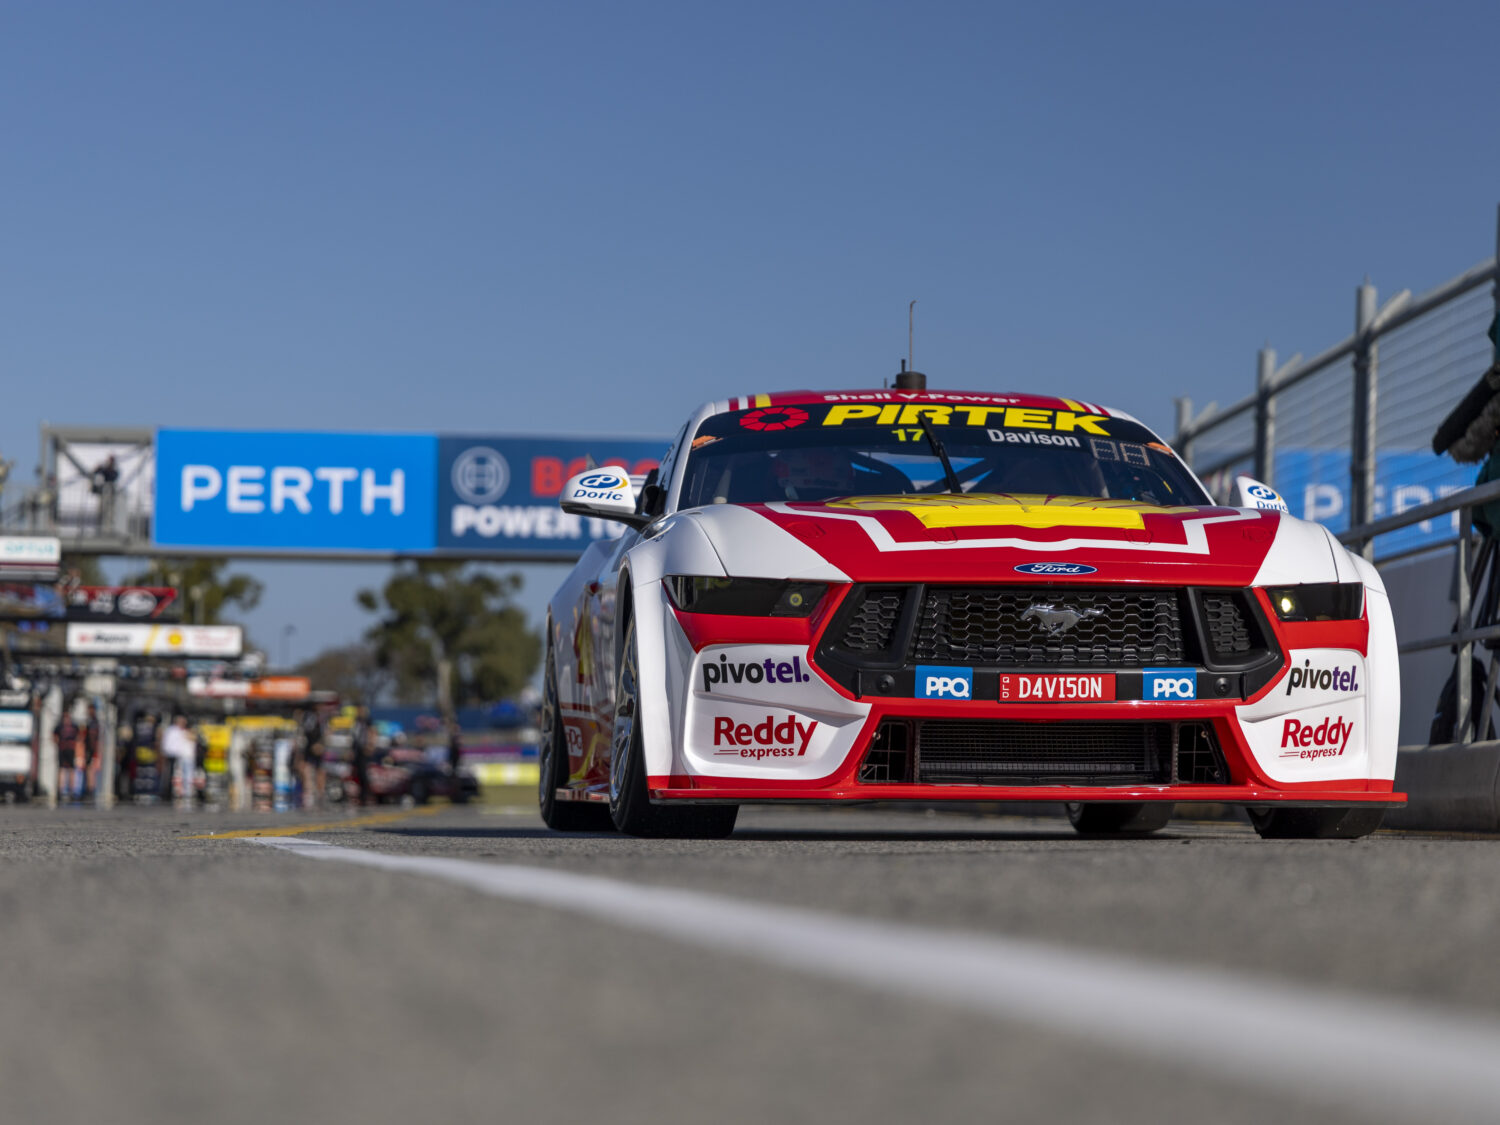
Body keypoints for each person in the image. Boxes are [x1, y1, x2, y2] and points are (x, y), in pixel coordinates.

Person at [161, 714, 198, 808]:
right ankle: (177, 792)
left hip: (185, 757)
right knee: (178, 775)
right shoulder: (174, 731)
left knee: (187, 776)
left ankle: (187, 792)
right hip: (176, 756)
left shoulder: (185, 732)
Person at [297, 707, 326, 809]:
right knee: (306, 770)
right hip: (309, 747)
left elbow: (323, 733)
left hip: (315, 746)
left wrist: (320, 744)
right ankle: (309, 794)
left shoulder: (317, 719)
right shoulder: (308, 718)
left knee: (318, 771)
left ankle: (319, 795)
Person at [54, 709, 83, 803]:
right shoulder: (60, 726)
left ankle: (70, 791)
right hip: (64, 749)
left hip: (70, 749)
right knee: (63, 770)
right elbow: (54, 736)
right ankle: (61, 791)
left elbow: (79, 737)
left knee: (70, 770)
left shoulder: (73, 726)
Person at [350, 707, 373, 807]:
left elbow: (372, 733)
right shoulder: (356, 723)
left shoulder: (367, 723)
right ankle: (359, 795)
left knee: (364, 774)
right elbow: (353, 737)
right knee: (357, 774)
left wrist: (370, 745)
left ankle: (365, 796)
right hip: (357, 750)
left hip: (364, 750)